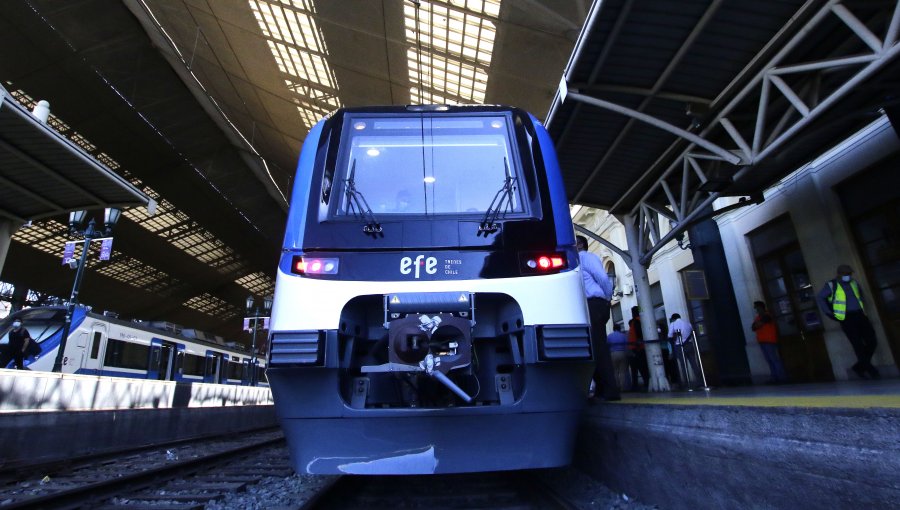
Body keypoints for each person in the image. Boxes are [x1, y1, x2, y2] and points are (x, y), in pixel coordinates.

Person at [816, 264, 880, 379]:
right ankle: (870, 370)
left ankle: (859, 367)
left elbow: (860, 296)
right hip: (847, 318)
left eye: (850, 274)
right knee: (857, 345)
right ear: (839, 274)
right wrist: (829, 314)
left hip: (860, 315)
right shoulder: (831, 285)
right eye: (846, 274)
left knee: (872, 341)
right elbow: (820, 298)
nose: (848, 276)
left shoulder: (854, 283)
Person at [577, 235, 620, 402]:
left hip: (594, 303)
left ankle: (610, 390)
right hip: (591, 304)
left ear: (580, 245)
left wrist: (608, 297)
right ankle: (602, 389)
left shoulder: (586, 257)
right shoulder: (577, 260)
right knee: (594, 346)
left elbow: (602, 278)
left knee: (597, 346)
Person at [751, 301, 788, 383]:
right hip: (762, 341)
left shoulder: (767, 316)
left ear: (761, 307)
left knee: (774, 359)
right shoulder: (759, 317)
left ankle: (781, 377)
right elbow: (753, 327)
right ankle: (774, 377)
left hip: (769, 341)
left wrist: (757, 325)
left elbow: (757, 325)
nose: (756, 310)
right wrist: (757, 325)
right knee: (769, 360)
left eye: (756, 307)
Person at [668, 313, 701, 389]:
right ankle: (700, 381)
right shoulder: (687, 323)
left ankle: (687, 383)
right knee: (694, 363)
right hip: (689, 344)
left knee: (683, 365)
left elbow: (669, 336)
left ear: (673, 318)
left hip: (679, 345)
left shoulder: (672, 324)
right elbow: (692, 332)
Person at [626, 306, 649, 391]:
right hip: (637, 347)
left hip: (637, 348)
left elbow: (639, 334)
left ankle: (644, 383)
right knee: (641, 367)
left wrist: (637, 345)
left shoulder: (636, 321)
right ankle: (643, 383)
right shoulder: (638, 321)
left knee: (641, 367)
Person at [606, 324, 629, 392]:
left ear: (613, 329)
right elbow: (626, 345)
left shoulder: (609, 336)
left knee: (615, 371)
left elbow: (607, 345)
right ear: (619, 328)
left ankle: (617, 386)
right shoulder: (623, 335)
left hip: (612, 353)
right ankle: (622, 387)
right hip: (622, 353)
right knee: (622, 371)